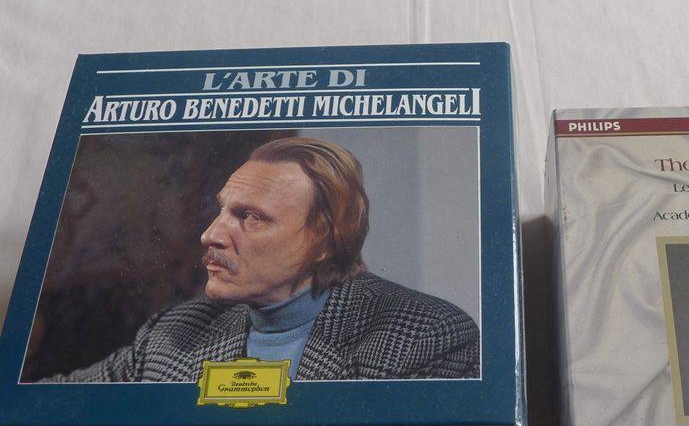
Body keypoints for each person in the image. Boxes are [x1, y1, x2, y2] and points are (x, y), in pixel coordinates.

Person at [43, 137, 480, 382]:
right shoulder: (173, 335)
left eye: (250, 217)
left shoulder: (425, 336)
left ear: (324, 239)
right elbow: (42, 402)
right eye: (222, 210)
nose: (211, 235)